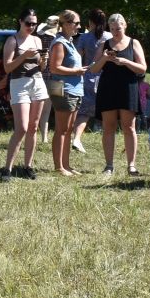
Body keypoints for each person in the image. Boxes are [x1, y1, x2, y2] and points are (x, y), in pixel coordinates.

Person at [89, 12, 147, 177]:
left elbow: (143, 68)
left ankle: (132, 165)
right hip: (108, 88)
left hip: (128, 87)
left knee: (129, 127)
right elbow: (93, 69)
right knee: (108, 127)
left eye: (118, 28)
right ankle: (109, 165)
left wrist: (126, 62)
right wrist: (105, 59)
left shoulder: (133, 43)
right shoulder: (104, 44)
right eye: (112, 29)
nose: (115, 32)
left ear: (125, 26)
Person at [0, 9, 47, 180]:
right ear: (20, 21)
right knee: (22, 128)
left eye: (34, 24)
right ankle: (7, 169)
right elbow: (7, 67)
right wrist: (24, 56)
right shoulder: (12, 41)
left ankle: (28, 166)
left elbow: (41, 67)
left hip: (37, 83)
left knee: (34, 127)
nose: (31, 26)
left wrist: (44, 60)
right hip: (19, 84)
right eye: (28, 23)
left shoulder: (37, 40)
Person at [46, 10, 86, 177]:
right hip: (63, 90)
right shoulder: (59, 43)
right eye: (76, 23)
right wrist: (77, 70)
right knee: (62, 129)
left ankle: (67, 165)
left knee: (69, 129)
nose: (78, 26)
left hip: (74, 90)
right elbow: (54, 67)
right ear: (66, 24)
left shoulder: (69, 42)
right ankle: (59, 166)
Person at [70, 8, 106, 155]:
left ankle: (76, 138)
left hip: (88, 78)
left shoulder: (84, 38)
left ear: (90, 22)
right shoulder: (109, 37)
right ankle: (103, 133)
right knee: (106, 111)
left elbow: (77, 58)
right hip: (105, 78)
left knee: (83, 113)